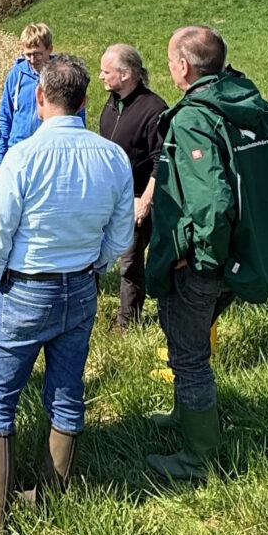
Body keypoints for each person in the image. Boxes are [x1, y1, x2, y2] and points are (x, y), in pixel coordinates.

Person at [0, 56, 134, 535]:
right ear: (85, 101)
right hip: (80, 286)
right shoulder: (113, 157)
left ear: (39, 99)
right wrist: (94, 265)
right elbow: (120, 238)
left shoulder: (22, 157)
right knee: (65, 389)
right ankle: (50, 497)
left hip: (25, 287)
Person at [145, 26, 268, 480]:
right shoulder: (260, 108)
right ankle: (186, 414)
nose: (171, 65)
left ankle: (201, 457)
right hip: (241, 258)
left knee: (188, 354)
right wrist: (247, 247)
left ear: (184, 67)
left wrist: (203, 260)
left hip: (204, 262)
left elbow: (211, 202)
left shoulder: (195, 117)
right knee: (193, 345)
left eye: (172, 58)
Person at [98, 44, 167, 330]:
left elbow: (162, 160)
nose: (100, 76)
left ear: (126, 74)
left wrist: (146, 200)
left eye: (106, 71)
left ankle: (127, 322)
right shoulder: (112, 102)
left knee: (130, 262)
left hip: (137, 198)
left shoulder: (154, 109)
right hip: (107, 197)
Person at [0, 23, 85, 176]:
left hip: (53, 151)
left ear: (49, 49)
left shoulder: (62, 76)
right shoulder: (16, 75)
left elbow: (77, 114)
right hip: (19, 150)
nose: (32, 59)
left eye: (37, 54)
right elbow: (5, 116)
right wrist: (0, 159)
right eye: (27, 54)